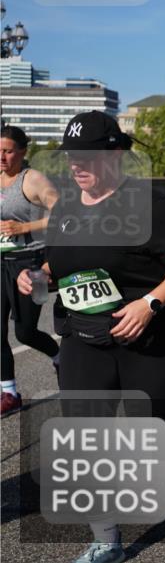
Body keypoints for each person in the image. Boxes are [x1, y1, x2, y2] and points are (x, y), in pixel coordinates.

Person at [17, 111, 165, 563]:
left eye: (87, 154)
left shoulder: (149, 205)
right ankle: (105, 540)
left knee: (156, 436)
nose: (76, 164)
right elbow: (60, 265)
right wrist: (38, 277)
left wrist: (148, 304)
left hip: (151, 338)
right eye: (71, 155)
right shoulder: (69, 206)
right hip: (84, 339)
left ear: (115, 154)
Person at [1, 125, 60, 416]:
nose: (1, 157)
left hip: (30, 263)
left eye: (8, 151)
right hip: (1, 263)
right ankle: (9, 393)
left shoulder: (33, 179)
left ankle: (60, 356)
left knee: (25, 333)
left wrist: (25, 227)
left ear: (22, 152)